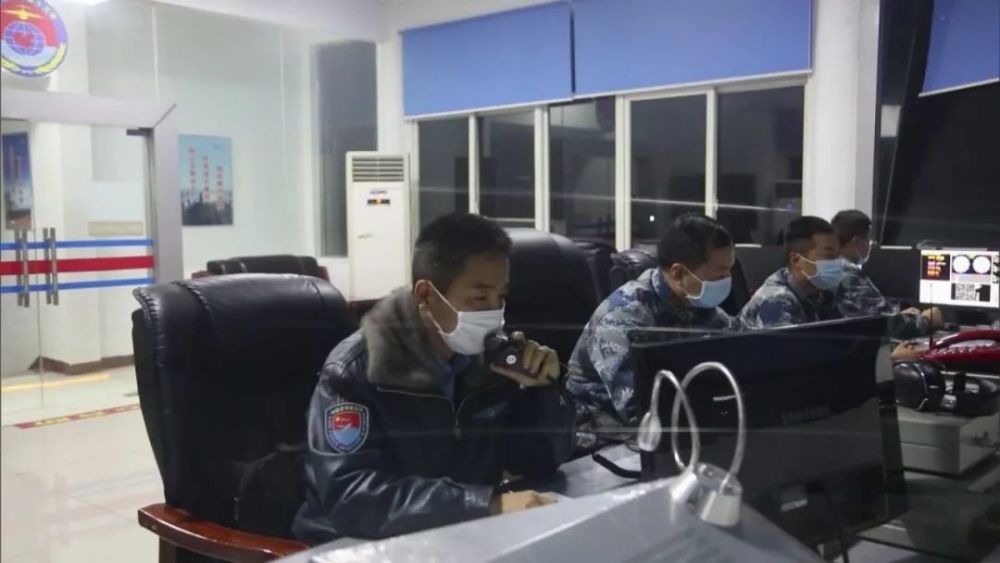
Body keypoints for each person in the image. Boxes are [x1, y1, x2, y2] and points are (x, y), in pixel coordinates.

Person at [293, 213, 575, 543]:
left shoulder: (489, 360)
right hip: (353, 546)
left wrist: (543, 392)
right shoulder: (355, 370)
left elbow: (535, 462)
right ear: (426, 295)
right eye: (479, 298)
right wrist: (486, 504)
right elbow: (353, 498)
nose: (494, 313)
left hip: (455, 532)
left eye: (501, 297)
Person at [565, 214, 739, 443]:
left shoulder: (698, 304)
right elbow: (640, 410)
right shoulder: (622, 317)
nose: (727, 279)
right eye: (721, 272)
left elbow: (740, 351)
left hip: (674, 426)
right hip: (600, 435)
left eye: (730, 270)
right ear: (678, 273)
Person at [832, 209, 942, 338]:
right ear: (857, 242)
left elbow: (875, 315)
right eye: (868, 240)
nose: (870, 246)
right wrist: (927, 319)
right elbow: (894, 327)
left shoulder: (831, 270)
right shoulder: (850, 278)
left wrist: (896, 315)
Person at [739, 216, 844, 329]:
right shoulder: (776, 300)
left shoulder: (823, 293)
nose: (837, 262)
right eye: (829, 256)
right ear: (796, 260)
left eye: (838, 255)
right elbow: (786, 341)